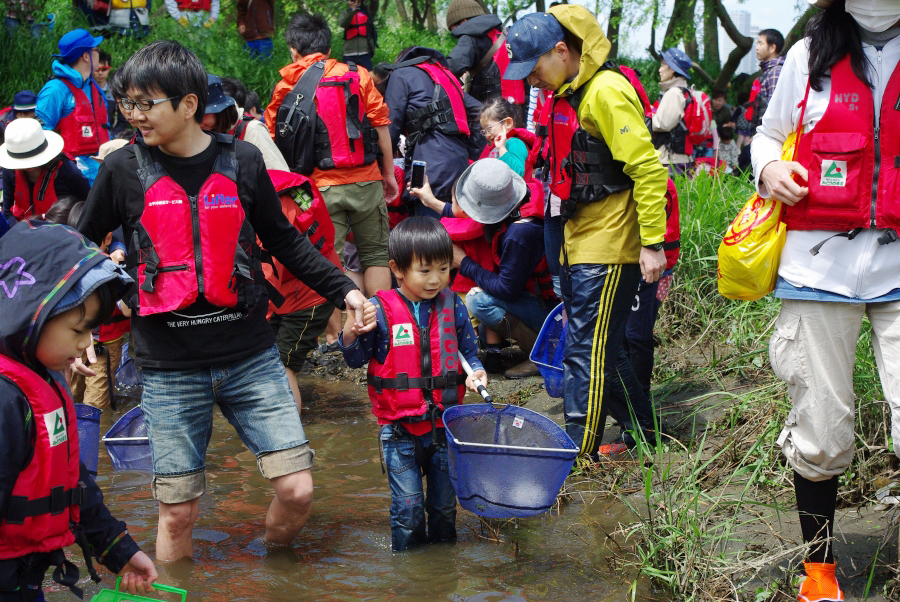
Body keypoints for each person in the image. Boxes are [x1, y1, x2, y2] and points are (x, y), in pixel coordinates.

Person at [76, 40, 374, 562]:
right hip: (168, 366)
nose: (134, 115)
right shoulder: (122, 169)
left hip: (249, 357)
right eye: (128, 103)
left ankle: (274, 568)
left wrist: (346, 290)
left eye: (147, 104)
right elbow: (82, 250)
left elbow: (286, 242)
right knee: (178, 511)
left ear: (188, 104)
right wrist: (87, 322)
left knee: (298, 490)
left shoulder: (244, 161)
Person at [751, 0, 900, 598]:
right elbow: (766, 136)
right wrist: (768, 173)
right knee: (821, 429)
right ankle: (818, 575)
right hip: (818, 269)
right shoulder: (808, 55)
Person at [505, 6, 668, 459]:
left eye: (534, 70)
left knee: (584, 352)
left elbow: (649, 172)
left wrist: (652, 244)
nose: (532, 81)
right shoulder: (570, 93)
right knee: (605, 351)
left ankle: (576, 457)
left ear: (561, 51)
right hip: (580, 240)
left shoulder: (606, 92)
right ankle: (646, 438)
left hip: (611, 244)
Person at [0, 221, 157, 600]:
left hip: (25, 575)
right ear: (29, 316)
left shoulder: (43, 381)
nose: (88, 343)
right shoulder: (6, 401)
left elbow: (73, 483)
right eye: (78, 330)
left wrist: (118, 550)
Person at [339, 216, 486, 551]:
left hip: (444, 429)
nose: (436, 279)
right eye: (425, 270)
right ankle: (411, 576)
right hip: (399, 431)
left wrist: (476, 372)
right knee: (408, 511)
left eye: (444, 269)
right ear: (398, 269)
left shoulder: (454, 306)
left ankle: (443, 567)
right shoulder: (380, 310)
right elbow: (354, 357)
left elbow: (467, 353)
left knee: (444, 509)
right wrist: (350, 330)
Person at [267, 14, 398, 297]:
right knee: (376, 255)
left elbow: (274, 139)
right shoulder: (358, 74)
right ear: (328, 47)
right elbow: (381, 125)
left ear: (293, 49)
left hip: (320, 189)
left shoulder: (288, 85)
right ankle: (383, 327)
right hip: (367, 182)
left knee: (328, 262)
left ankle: (335, 338)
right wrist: (388, 174)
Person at [264, 169, 342, 413]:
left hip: (309, 296)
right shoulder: (274, 187)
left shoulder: (274, 207)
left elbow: (269, 271)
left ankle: (290, 437)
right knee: (267, 362)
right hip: (293, 291)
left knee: (283, 365)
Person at [383, 46, 485, 218]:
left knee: (427, 237)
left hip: (426, 171)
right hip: (459, 167)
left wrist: (382, 170)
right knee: (452, 233)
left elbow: (389, 128)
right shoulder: (446, 76)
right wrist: (471, 151)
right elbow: (482, 113)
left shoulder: (400, 74)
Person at [36, 29, 110, 184]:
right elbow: (41, 136)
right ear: (85, 56)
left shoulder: (93, 87)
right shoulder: (55, 90)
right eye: (96, 50)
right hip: (72, 177)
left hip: (102, 172)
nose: (99, 54)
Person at [0, 119, 91, 229]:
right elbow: (8, 210)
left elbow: (87, 205)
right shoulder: (9, 170)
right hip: (22, 232)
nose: (27, 166)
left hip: (62, 233)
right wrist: (18, 233)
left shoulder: (68, 171)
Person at [445, 0, 525, 108]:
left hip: (489, 112)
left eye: (453, 29)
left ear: (463, 21)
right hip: (517, 108)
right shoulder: (505, 33)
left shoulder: (469, 37)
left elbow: (453, 67)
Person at [202, 75, 288, 171]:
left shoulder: (252, 129)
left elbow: (280, 177)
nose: (196, 121)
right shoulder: (200, 133)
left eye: (202, 114)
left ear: (220, 110)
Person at [651, 47, 694, 176]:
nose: (660, 69)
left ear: (672, 68)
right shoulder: (683, 91)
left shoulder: (674, 93)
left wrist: (643, 117)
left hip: (671, 160)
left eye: (663, 64)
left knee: (668, 196)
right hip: (678, 159)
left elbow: (662, 124)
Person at [478, 97, 529, 176]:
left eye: (489, 129)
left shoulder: (515, 144)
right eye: (484, 131)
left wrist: (502, 149)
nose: (487, 134)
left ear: (508, 123)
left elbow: (517, 174)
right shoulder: (498, 146)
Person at [754, 28, 786, 129]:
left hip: (770, 133)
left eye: (760, 43)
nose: (757, 48)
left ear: (772, 48)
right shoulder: (769, 71)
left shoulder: (775, 72)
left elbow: (774, 110)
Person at [339, 0, 376, 71]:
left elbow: (374, 3)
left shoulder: (367, 11)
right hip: (349, 53)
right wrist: (353, 10)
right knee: (349, 77)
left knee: (367, 76)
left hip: (364, 52)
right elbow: (343, 24)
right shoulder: (344, 13)